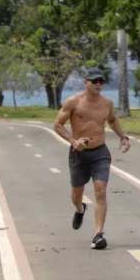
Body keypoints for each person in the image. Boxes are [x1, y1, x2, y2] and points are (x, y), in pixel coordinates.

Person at [53, 67, 130, 250]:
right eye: (94, 81)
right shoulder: (73, 102)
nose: (98, 84)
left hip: (100, 152)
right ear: (86, 82)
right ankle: (80, 209)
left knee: (100, 190)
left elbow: (112, 120)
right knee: (76, 194)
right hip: (79, 154)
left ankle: (98, 235)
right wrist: (73, 141)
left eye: (101, 81)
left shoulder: (107, 103)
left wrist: (123, 137)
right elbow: (58, 125)